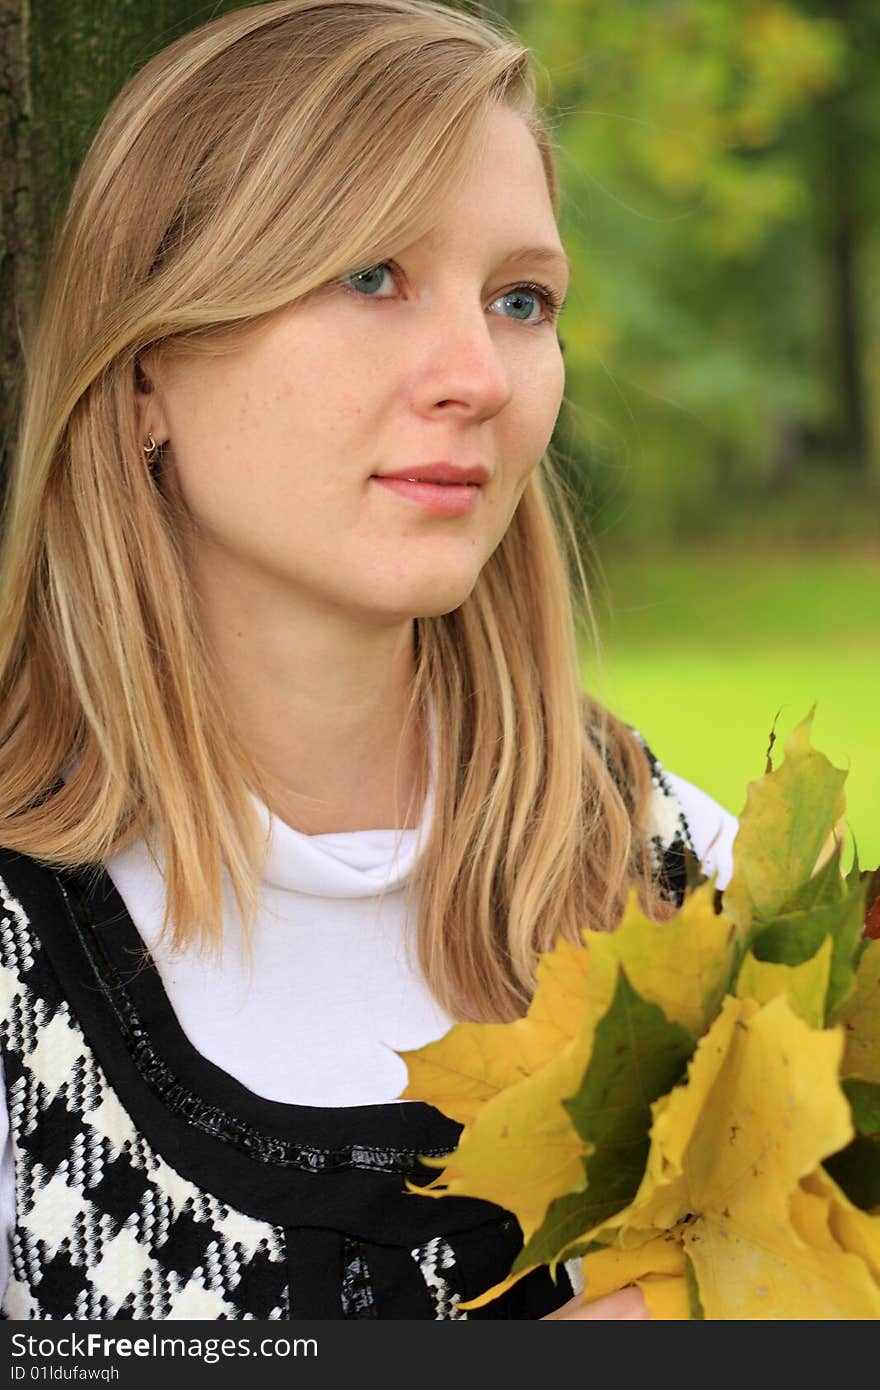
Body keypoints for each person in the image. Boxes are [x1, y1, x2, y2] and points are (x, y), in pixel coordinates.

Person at [0, 0, 736, 1321]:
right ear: (147, 365)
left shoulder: (705, 889)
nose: (479, 376)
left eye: (522, 300)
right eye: (370, 275)